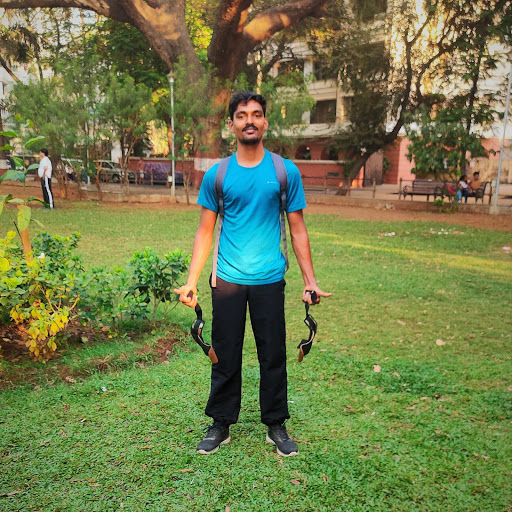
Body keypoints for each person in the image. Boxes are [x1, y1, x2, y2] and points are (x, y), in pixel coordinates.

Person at [174, 90, 331, 457]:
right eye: (242, 115)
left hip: (269, 279)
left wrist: (310, 279)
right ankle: (220, 423)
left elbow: (298, 229)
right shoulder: (219, 174)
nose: (249, 120)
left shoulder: (283, 171)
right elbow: (205, 231)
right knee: (225, 353)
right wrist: (192, 280)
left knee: (272, 354)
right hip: (227, 279)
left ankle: (275, 423)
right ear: (231, 125)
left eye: (256, 114)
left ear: (265, 122)